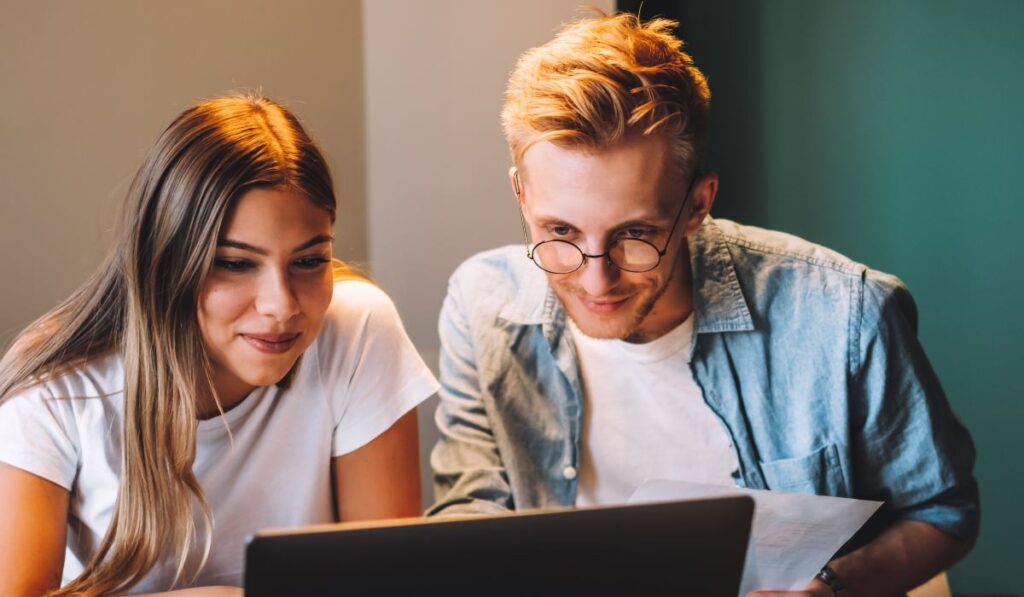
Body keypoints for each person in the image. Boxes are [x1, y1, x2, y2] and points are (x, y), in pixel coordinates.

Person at [430, 13, 978, 596]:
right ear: (521, 191)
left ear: (697, 205)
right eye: (560, 231)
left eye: (633, 234)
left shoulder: (845, 313)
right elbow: (470, 515)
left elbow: (943, 513)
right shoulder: (482, 304)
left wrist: (831, 588)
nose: (596, 278)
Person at [0, 94, 438, 595]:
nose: (281, 305)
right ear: (166, 261)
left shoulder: (358, 329)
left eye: (310, 261)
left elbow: (385, 581)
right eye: (235, 263)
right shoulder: (59, 380)